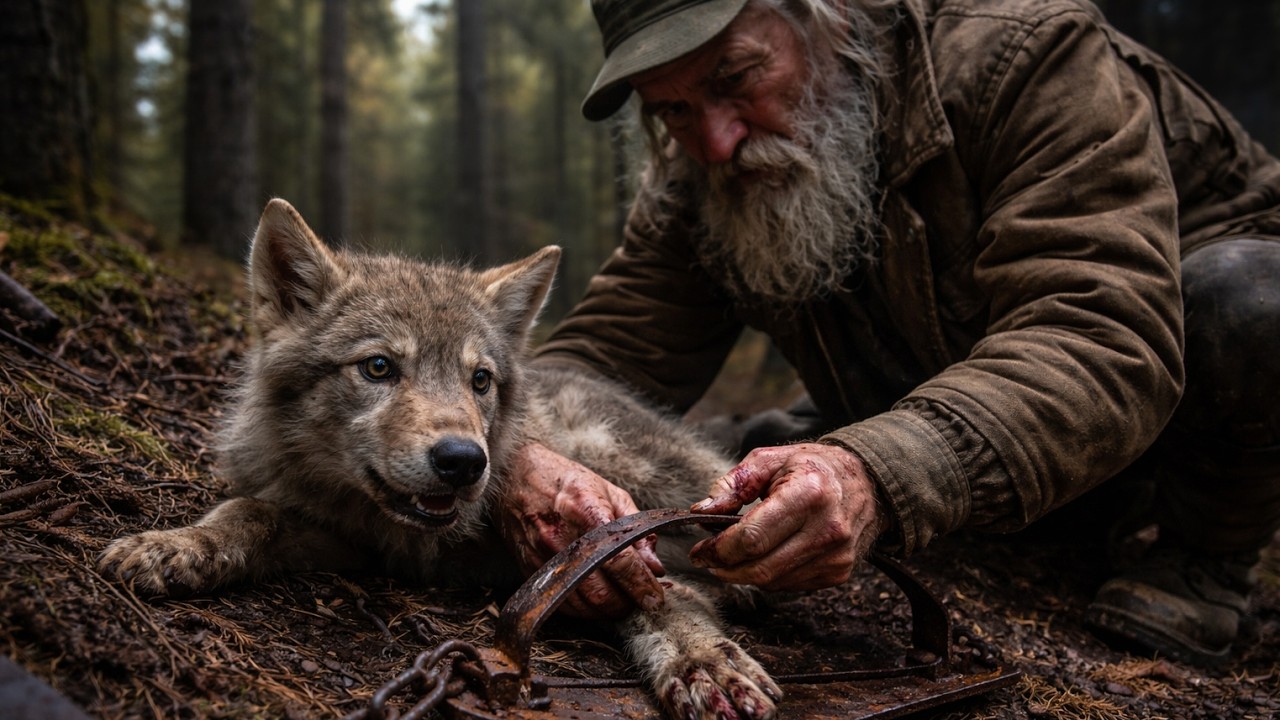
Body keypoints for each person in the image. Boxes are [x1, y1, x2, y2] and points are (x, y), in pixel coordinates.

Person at [495, 0, 1280, 667]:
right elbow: (602, 354)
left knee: (1245, 301)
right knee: (712, 469)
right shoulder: (703, 166)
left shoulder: (1026, 54)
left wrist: (874, 471)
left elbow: (1100, 336)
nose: (715, 142)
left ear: (821, 15)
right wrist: (524, 456)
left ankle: (1203, 560)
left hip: (1175, 420)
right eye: (670, 109)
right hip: (935, 395)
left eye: (734, 78)